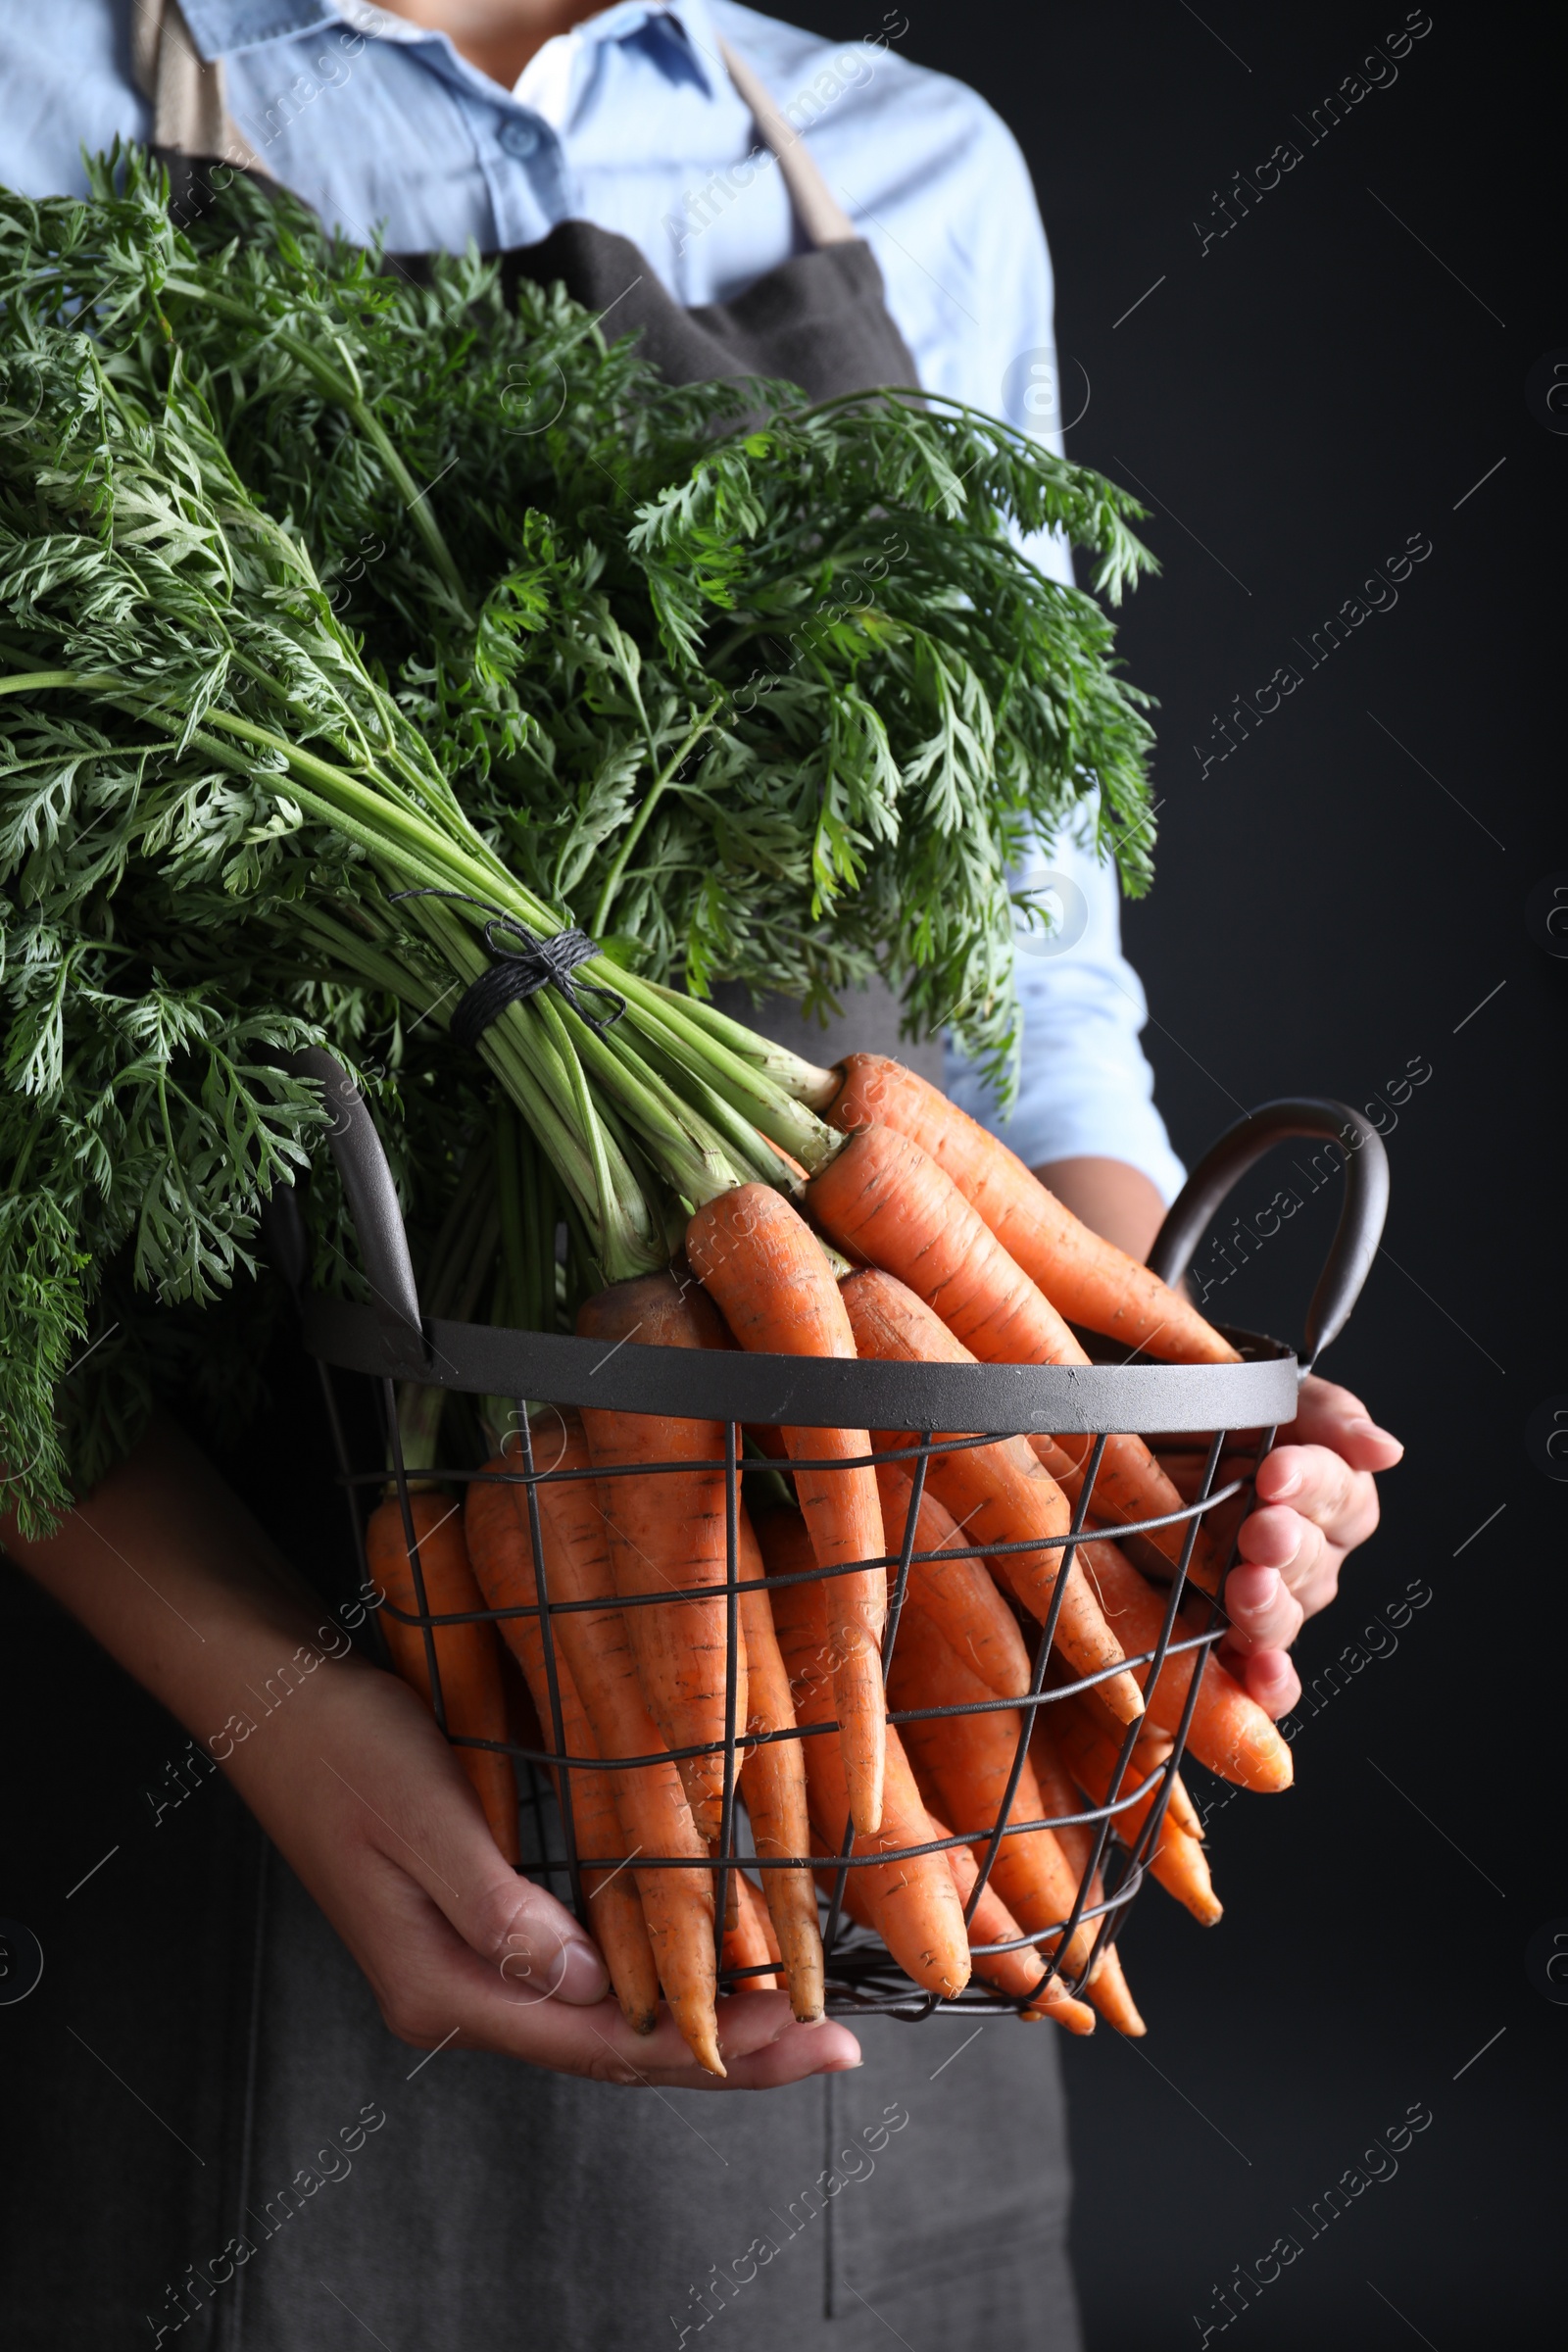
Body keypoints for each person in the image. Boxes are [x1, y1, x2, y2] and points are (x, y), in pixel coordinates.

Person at [0, 6, 1402, 2347]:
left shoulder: (904, 162)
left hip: (885, 1823)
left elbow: (1028, 986)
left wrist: (1132, 1431)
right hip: (206, 1712)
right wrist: (275, 1710)